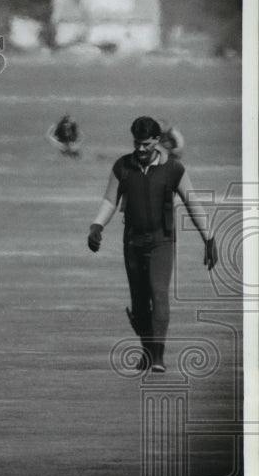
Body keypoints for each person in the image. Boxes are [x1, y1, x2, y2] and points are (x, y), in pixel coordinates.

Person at [87, 116, 217, 373]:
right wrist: (96, 226)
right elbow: (110, 201)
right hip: (133, 242)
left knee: (158, 293)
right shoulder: (122, 167)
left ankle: (157, 356)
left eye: (146, 144)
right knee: (139, 302)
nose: (141, 148)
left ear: (157, 141)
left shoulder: (174, 169)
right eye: (137, 143)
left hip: (162, 241)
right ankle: (147, 352)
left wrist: (209, 238)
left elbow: (192, 203)